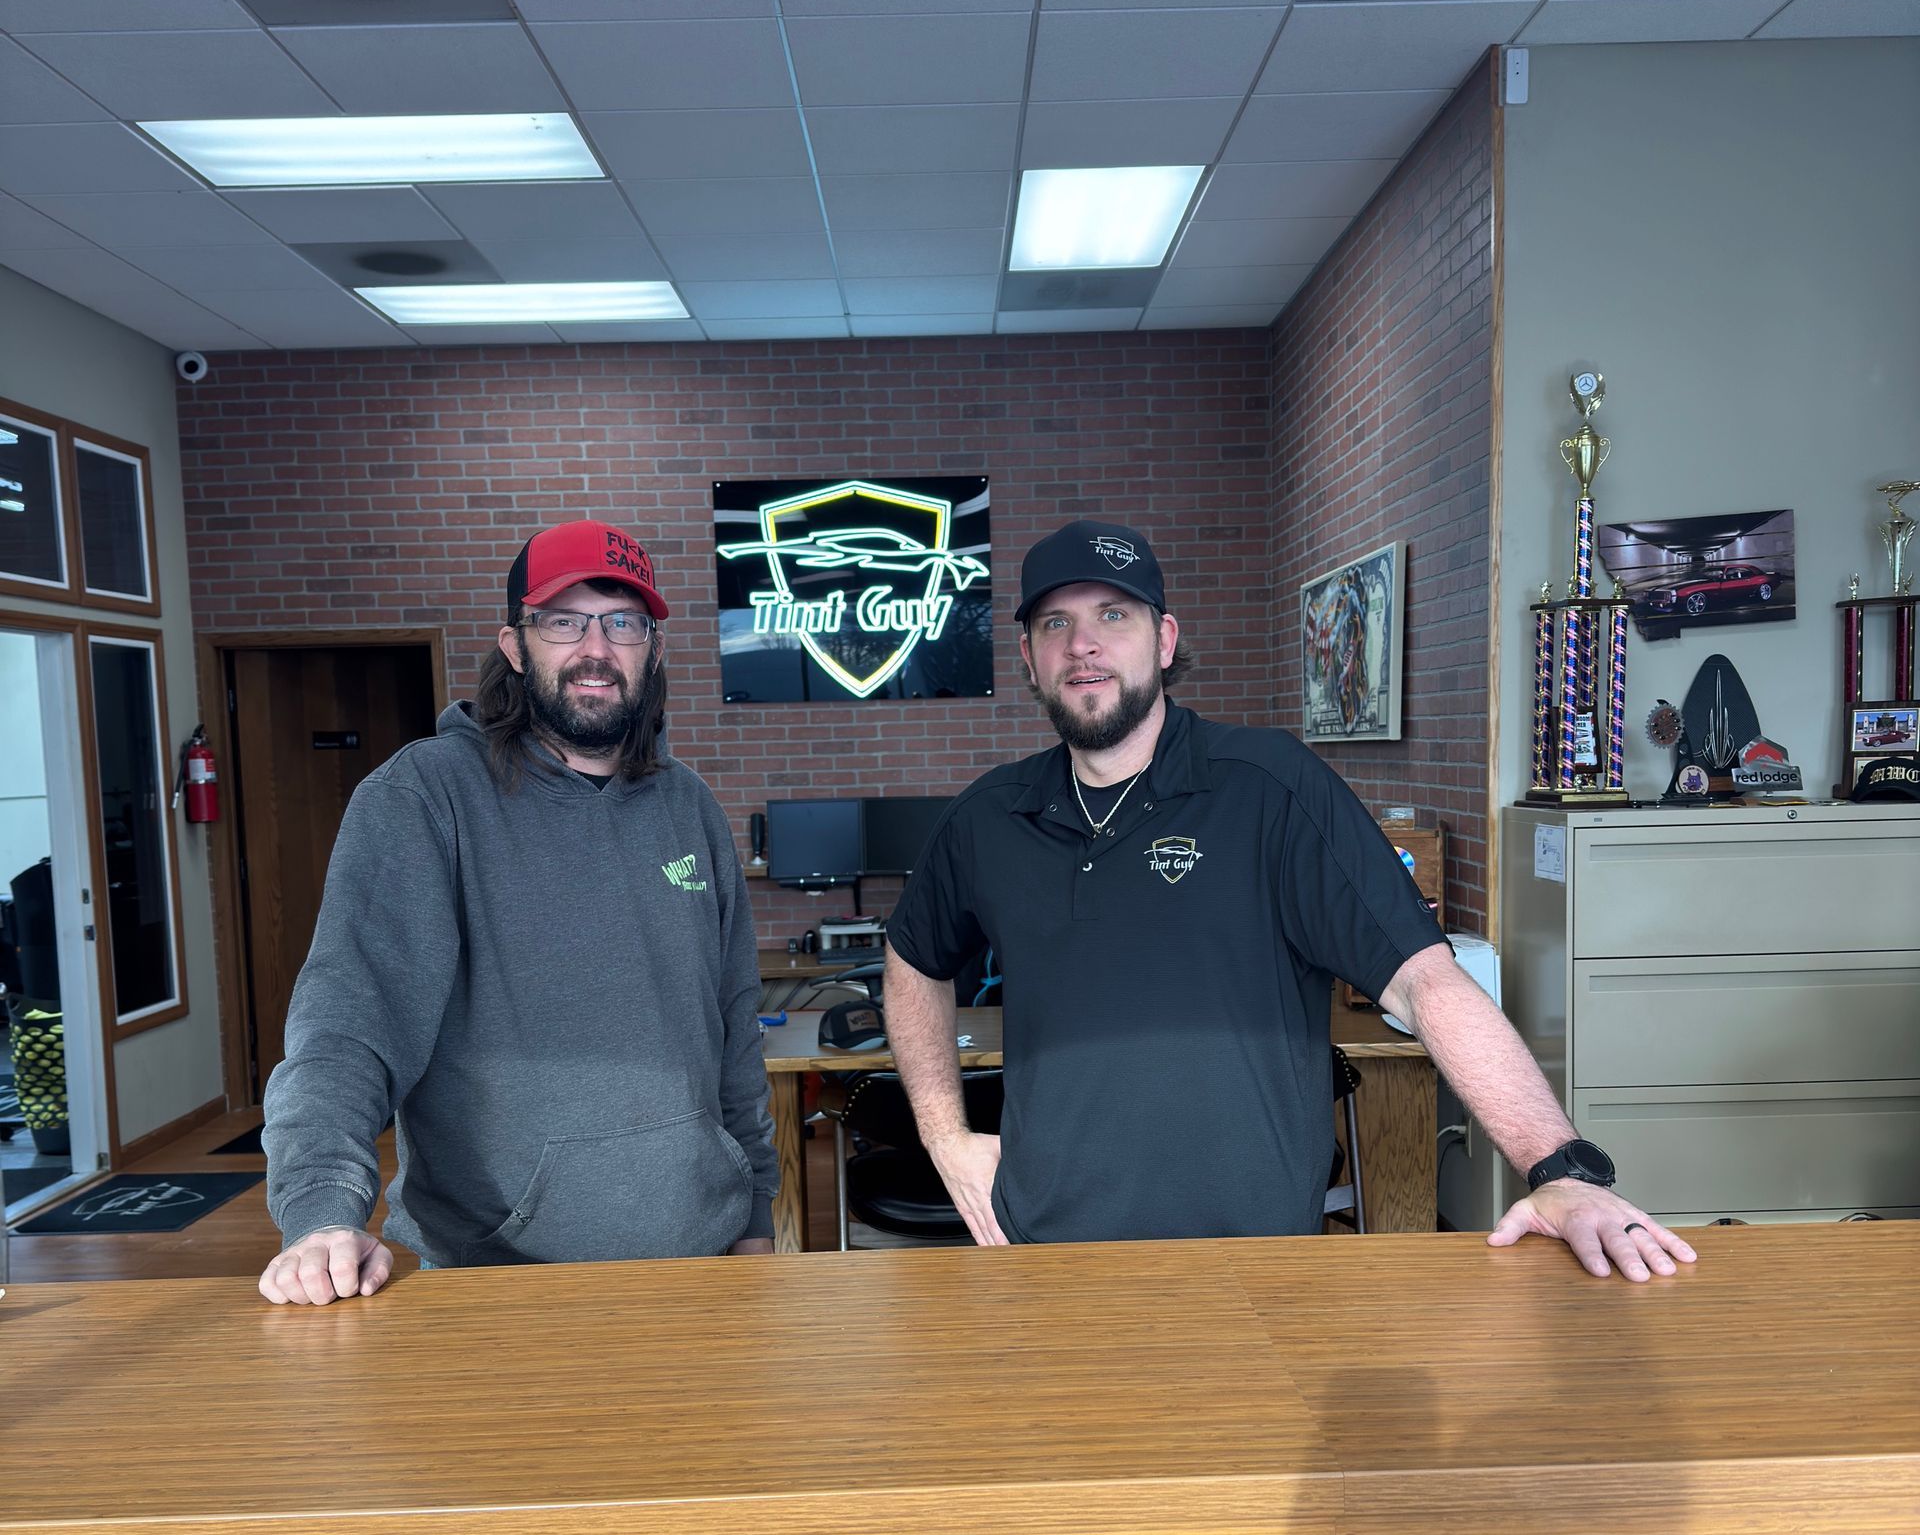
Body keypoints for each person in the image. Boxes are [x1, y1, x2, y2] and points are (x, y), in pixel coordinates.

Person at [883, 520, 1693, 1283]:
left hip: (1257, 1256)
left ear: (1164, 641)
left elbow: (1425, 981)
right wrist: (946, 1137)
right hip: (1042, 1254)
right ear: (1029, 658)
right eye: (1054, 623)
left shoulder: (1270, 788)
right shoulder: (990, 818)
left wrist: (1559, 1168)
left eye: (1113, 615)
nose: (1082, 644)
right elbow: (913, 959)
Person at [258, 518, 776, 1304]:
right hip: (496, 1280)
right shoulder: (424, 799)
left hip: (701, 1263)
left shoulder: (690, 807)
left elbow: (735, 1029)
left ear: (653, 649)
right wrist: (322, 1212)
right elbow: (347, 1027)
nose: (596, 649)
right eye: (564, 622)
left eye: (623, 623)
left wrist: (755, 1213)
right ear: (514, 644)